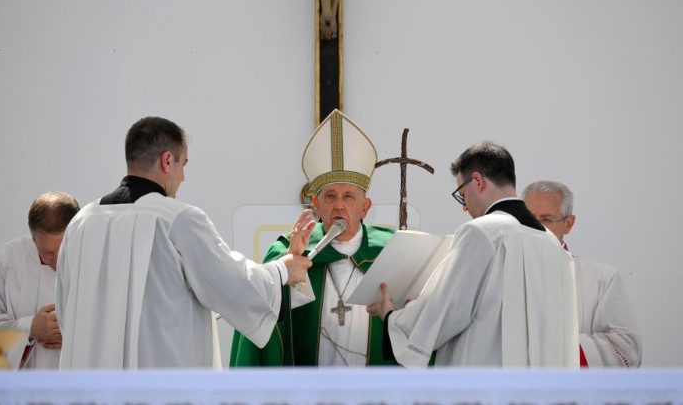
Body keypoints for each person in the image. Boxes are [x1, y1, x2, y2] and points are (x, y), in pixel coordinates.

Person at [55, 116, 312, 369]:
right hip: (158, 384)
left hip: (90, 382)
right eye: (184, 163)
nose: (183, 177)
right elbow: (228, 283)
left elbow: (66, 312)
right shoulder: (177, 219)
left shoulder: (81, 223)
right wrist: (282, 270)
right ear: (167, 160)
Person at [368, 141, 579, 367]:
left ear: (477, 181)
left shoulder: (482, 232)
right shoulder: (553, 245)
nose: (464, 206)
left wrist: (392, 317)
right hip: (541, 385)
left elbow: (446, 310)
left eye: (462, 194)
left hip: (485, 382)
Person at [230, 109, 405, 367]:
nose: (339, 205)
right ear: (317, 205)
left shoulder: (391, 253)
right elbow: (260, 319)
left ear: (365, 207)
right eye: (330, 196)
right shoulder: (290, 253)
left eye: (349, 197)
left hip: (372, 386)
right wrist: (288, 266)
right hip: (310, 386)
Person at [522, 180, 642, 367]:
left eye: (546, 219)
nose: (535, 227)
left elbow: (627, 348)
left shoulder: (602, 279)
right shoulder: (499, 273)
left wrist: (558, 351)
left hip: (572, 384)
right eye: (529, 219)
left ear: (568, 224)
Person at [0, 191, 80, 369]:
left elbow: (114, 326)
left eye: (64, 250)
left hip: (78, 380)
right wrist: (30, 328)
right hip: (24, 383)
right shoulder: (4, 261)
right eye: (48, 252)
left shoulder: (98, 259)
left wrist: (76, 339)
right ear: (34, 239)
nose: (58, 260)